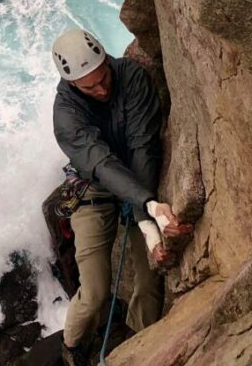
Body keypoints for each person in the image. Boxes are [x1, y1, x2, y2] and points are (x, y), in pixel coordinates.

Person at [51, 28, 193, 366]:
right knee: (96, 291)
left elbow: (143, 146)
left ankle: (142, 346)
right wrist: (148, 209)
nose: (102, 89)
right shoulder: (65, 115)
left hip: (138, 182)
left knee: (152, 272)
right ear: (72, 85)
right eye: (91, 87)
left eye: (104, 78)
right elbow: (99, 164)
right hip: (94, 187)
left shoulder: (130, 77)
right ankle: (72, 346)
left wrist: (147, 217)